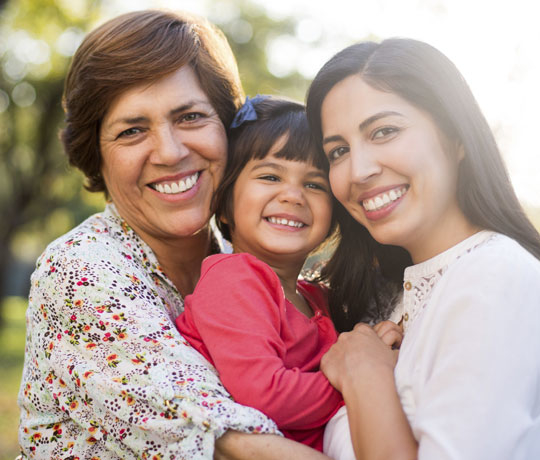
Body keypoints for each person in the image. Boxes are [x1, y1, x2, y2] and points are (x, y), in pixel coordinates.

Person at [17, 10, 331, 460]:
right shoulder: (82, 269)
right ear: (97, 156)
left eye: (190, 117)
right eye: (132, 130)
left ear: (228, 129)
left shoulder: (243, 262)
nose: (170, 151)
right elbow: (234, 445)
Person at [306, 38, 540, 460]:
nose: (358, 171)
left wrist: (365, 372)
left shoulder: (497, 276)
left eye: (384, 131)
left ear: (456, 137)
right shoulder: (385, 302)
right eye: (338, 151)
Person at [176, 96, 394, 452]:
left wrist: (374, 342)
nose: (293, 195)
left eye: (314, 184)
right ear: (226, 206)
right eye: (270, 176)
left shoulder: (316, 297)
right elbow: (266, 394)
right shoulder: (234, 279)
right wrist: (363, 377)